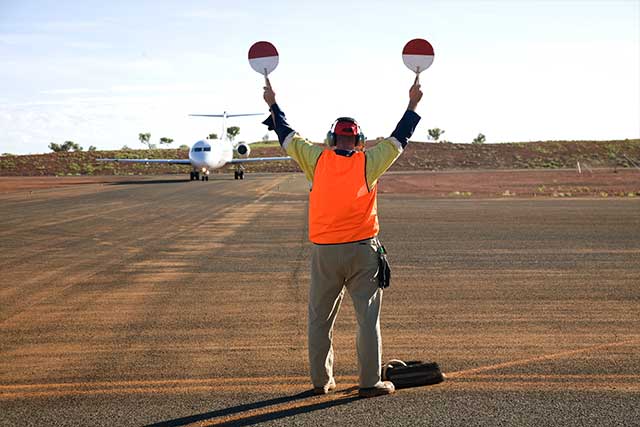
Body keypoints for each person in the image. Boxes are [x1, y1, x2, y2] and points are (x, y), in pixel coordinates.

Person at [262, 76, 423, 398]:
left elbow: (286, 135)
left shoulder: (316, 159)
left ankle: (321, 382)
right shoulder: (369, 161)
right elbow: (399, 138)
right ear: (359, 141)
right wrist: (413, 104)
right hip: (363, 252)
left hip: (325, 254)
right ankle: (369, 382)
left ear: (331, 139)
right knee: (367, 320)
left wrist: (272, 104)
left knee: (319, 320)